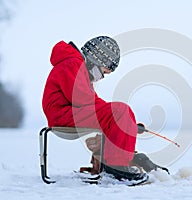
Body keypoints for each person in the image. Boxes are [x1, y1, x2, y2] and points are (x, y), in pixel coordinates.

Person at [42, 36, 148, 182]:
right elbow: (82, 99)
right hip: (62, 114)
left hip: (70, 113)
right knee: (119, 110)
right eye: (104, 72)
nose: (102, 77)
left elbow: (94, 104)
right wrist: (118, 116)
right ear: (97, 60)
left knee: (120, 111)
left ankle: (115, 163)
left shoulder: (79, 68)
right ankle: (116, 167)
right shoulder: (73, 64)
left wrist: (127, 124)